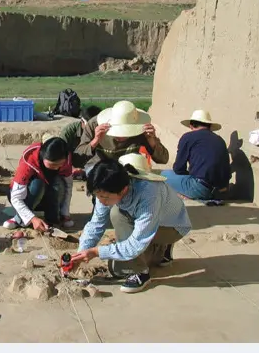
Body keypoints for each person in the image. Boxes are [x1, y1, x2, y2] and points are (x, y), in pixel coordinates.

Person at [71, 154, 192, 293]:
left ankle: (141, 272)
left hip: (172, 227)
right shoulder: (105, 188)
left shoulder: (149, 194)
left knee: (117, 215)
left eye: (104, 197)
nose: (101, 201)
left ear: (123, 190)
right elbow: (96, 224)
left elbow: (135, 245)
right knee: (117, 267)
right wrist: (80, 255)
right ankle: (159, 249)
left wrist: (96, 252)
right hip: (146, 222)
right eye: (97, 196)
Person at [74, 100, 169, 209]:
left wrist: (152, 142)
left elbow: (163, 159)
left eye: (126, 132)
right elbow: (78, 156)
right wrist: (95, 141)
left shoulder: (142, 128)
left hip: (127, 168)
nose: (121, 137)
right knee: (104, 190)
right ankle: (99, 211)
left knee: (139, 189)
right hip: (99, 166)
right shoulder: (95, 124)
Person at [3, 137, 74, 230]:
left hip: (46, 198)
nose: (56, 168)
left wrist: (65, 213)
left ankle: (53, 219)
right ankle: (19, 219)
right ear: (43, 155)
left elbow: (68, 187)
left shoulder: (66, 162)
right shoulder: (29, 160)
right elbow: (16, 197)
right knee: (38, 183)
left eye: (59, 165)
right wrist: (32, 219)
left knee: (58, 182)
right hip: (27, 196)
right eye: (52, 165)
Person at [161, 110, 231, 200]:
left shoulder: (188, 137)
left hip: (201, 189)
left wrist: (189, 175)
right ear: (209, 126)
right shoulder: (220, 139)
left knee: (164, 174)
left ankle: (186, 195)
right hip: (222, 192)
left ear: (191, 125)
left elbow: (178, 168)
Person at [60, 105, 102, 175]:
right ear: (82, 121)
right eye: (90, 125)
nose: (93, 128)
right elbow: (60, 153)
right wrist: (71, 168)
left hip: (94, 166)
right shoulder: (70, 131)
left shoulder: (102, 131)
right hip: (73, 166)